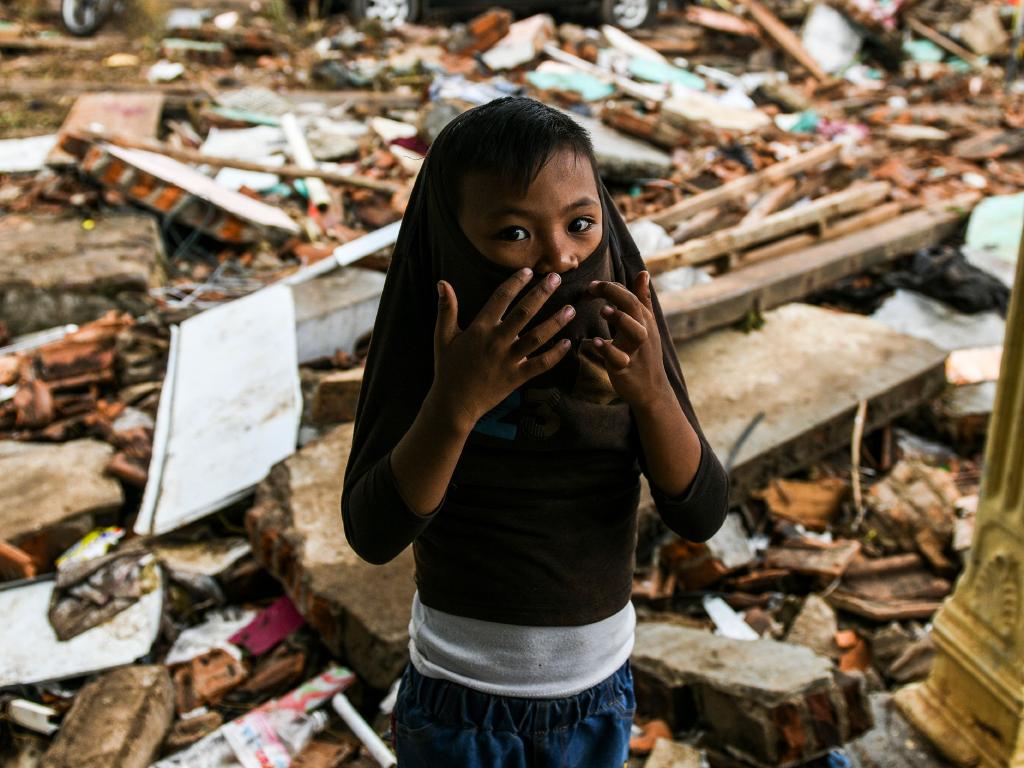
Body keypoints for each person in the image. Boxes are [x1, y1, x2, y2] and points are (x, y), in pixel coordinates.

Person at [341, 96, 728, 768]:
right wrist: (455, 403)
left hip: (598, 698)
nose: (560, 259)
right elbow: (372, 532)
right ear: (456, 244)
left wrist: (650, 392)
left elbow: (700, 510)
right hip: (461, 704)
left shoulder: (619, 329)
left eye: (581, 223)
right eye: (514, 235)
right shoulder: (438, 346)